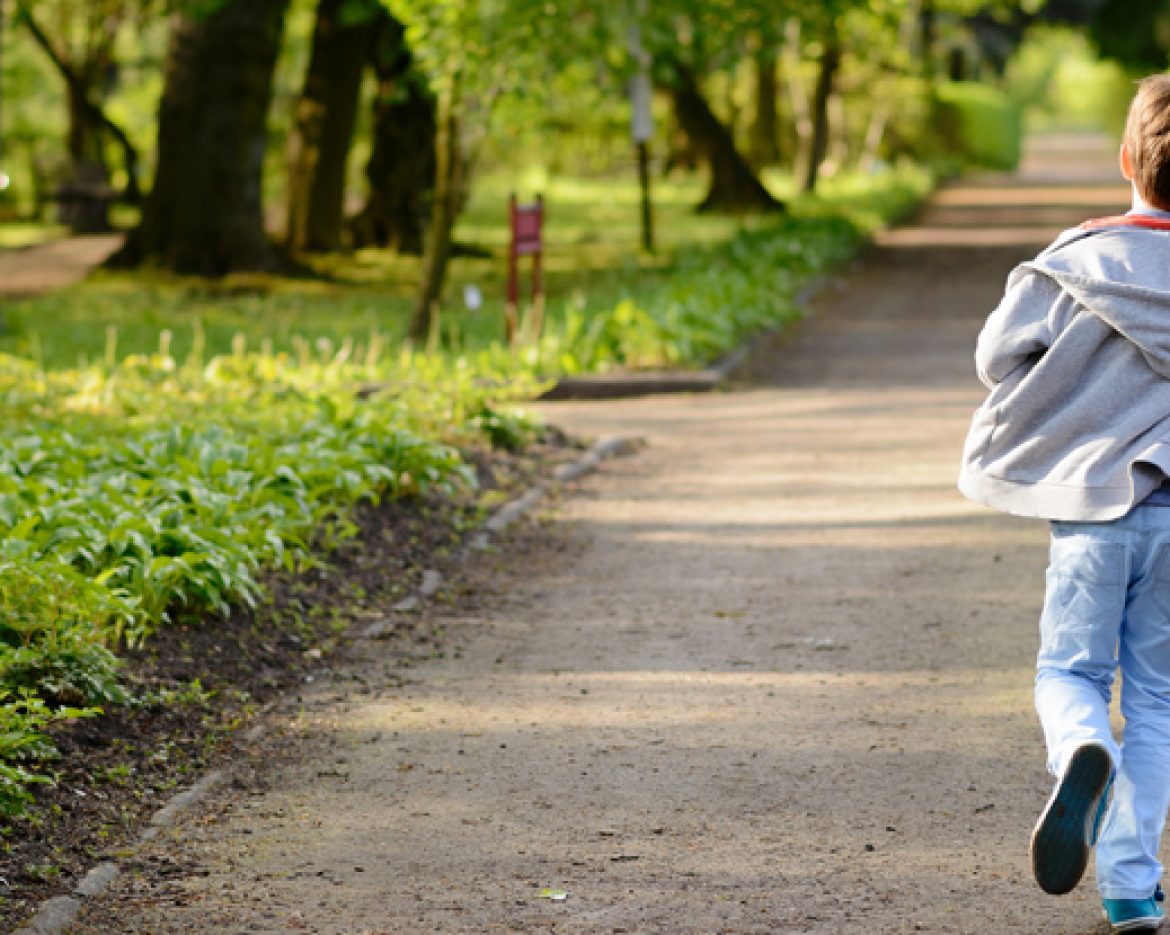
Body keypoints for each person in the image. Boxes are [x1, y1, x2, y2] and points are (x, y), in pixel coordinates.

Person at [959, 75, 1170, 933]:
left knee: (1070, 670)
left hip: (1091, 506)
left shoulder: (1075, 260)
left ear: (1126, 159)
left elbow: (995, 354)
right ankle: (1130, 888)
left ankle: (1083, 744)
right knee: (1159, 697)